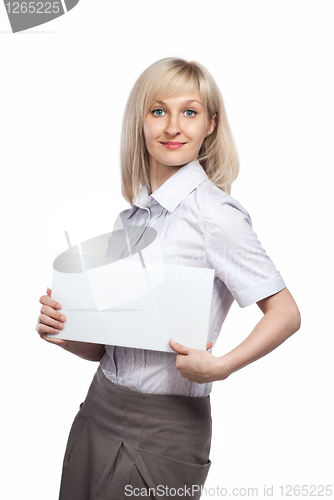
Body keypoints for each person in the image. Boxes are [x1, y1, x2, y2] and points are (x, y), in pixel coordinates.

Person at [36, 57, 301, 500]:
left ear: (210, 125)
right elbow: (108, 346)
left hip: (166, 427)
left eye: (190, 112)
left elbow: (286, 312)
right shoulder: (129, 220)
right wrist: (66, 331)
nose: (173, 126)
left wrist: (222, 366)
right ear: (139, 122)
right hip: (98, 410)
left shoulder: (217, 216)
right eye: (158, 111)